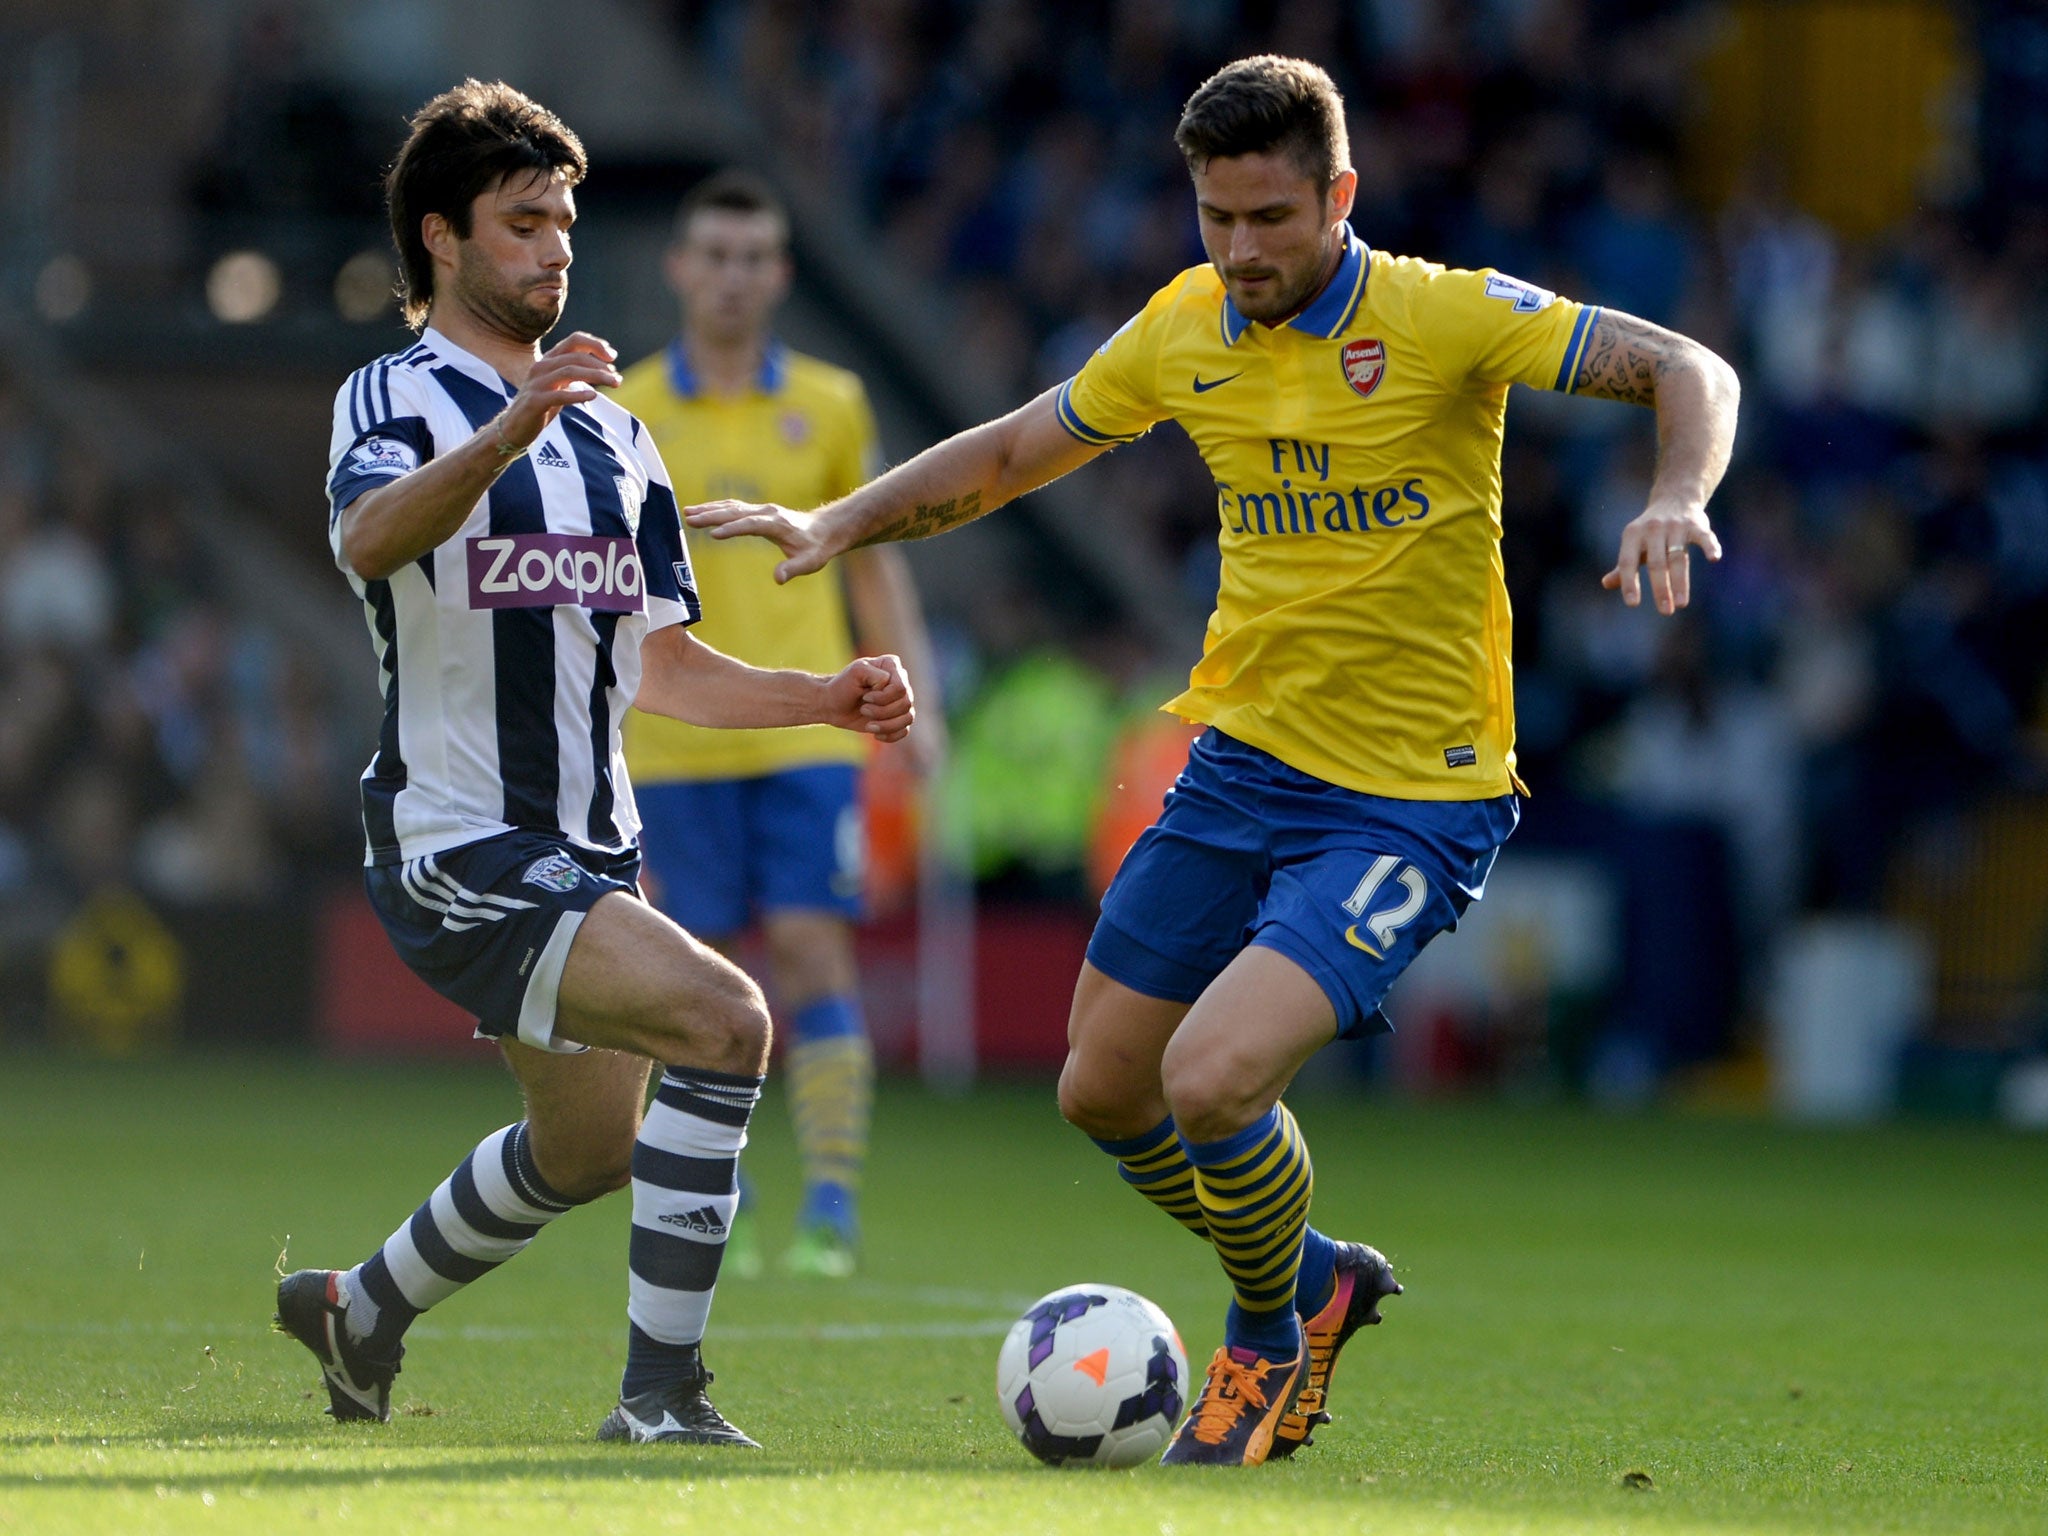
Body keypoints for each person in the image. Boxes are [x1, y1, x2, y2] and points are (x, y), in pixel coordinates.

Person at [688, 55, 1738, 1467]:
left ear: (1340, 197)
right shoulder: (1187, 326)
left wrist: (1674, 495)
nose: (1240, 250)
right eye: (1215, 217)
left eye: (1270, 219)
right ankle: (1317, 1278)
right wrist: (840, 527)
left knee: (1214, 1079)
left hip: (1414, 797)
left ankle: (1264, 1340)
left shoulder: (1441, 314)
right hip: (1241, 766)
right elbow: (1011, 453)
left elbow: (1687, 364)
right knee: (1100, 1092)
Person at [273, 80, 914, 1448]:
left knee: (593, 1150)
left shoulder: (620, 437)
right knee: (731, 1023)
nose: (556, 247)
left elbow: (660, 668)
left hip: (590, 845)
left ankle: (361, 1307)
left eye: (564, 219)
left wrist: (823, 696)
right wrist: (508, 429)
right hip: (460, 845)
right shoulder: (389, 396)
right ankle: (660, 1400)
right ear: (440, 238)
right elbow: (369, 542)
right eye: (522, 221)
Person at [614, 170, 943, 1280]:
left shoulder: (834, 403)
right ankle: (729, 1197)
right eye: (713, 252)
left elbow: (874, 569)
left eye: (752, 256)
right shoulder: (627, 412)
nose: (731, 274)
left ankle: (833, 1211)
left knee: (809, 951)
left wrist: (920, 704)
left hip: (808, 731)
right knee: (696, 983)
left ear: (781, 275)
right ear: (677, 267)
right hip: (669, 737)